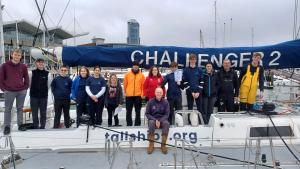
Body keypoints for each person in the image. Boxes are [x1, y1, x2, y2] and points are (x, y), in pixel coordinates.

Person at [0, 48, 29, 135]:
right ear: (12, 55)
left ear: (20, 57)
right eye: (15, 54)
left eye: (19, 55)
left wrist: (25, 88)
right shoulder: (5, 65)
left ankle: (20, 125)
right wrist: (4, 89)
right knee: (8, 109)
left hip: (21, 91)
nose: (17, 56)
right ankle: (7, 127)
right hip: (9, 91)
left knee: (20, 109)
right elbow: (1, 79)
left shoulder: (23, 66)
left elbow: (26, 78)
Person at [145, 87, 170, 154]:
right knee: (151, 122)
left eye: (160, 92)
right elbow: (147, 113)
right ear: (155, 93)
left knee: (166, 124)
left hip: (162, 120)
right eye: (157, 92)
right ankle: (151, 145)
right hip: (153, 119)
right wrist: (155, 120)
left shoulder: (166, 102)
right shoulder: (150, 101)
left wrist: (160, 121)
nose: (159, 94)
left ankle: (163, 145)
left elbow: (167, 114)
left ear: (162, 94)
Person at [29, 58, 52, 129]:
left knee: (43, 113)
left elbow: (48, 85)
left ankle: (42, 126)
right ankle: (36, 126)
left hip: (43, 97)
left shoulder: (48, 74)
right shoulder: (31, 73)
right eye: (39, 62)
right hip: (33, 96)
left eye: (42, 62)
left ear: (44, 64)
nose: (40, 64)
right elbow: (29, 84)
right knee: (34, 113)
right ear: (36, 64)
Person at [124, 61, 145, 126]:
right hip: (129, 96)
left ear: (138, 67)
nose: (135, 66)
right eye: (134, 65)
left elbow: (143, 86)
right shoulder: (127, 75)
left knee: (138, 111)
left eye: (137, 65)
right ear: (132, 66)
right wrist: (126, 92)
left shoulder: (142, 75)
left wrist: (142, 94)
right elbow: (125, 85)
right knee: (128, 111)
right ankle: (129, 124)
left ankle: (137, 124)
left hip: (138, 96)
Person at [182, 54, 203, 121]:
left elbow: (202, 81)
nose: (193, 61)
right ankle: (189, 122)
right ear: (189, 60)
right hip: (189, 92)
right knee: (190, 108)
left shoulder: (199, 69)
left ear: (196, 60)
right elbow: (185, 82)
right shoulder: (185, 70)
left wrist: (198, 92)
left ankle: (200, 123)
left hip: (198, 93)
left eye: (194, 59)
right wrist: (191, 92)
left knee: (200, 108)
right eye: (191, 59)